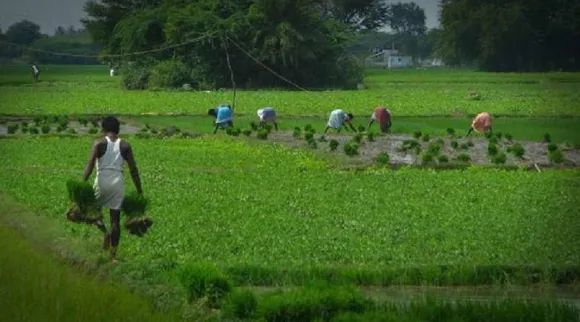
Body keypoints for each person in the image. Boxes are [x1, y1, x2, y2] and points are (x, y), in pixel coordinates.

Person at [83, 115, 143, 260]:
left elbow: (90, 164)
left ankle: (105, 232)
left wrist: (83, 182)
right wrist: (139, 189)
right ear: (117, 129)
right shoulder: (125, 146)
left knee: (92, 212)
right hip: (118, 183)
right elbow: (133, 170)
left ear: (104, 129)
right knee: (115, 220)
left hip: (102, 180)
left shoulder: (99, 143)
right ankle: (113, 255)